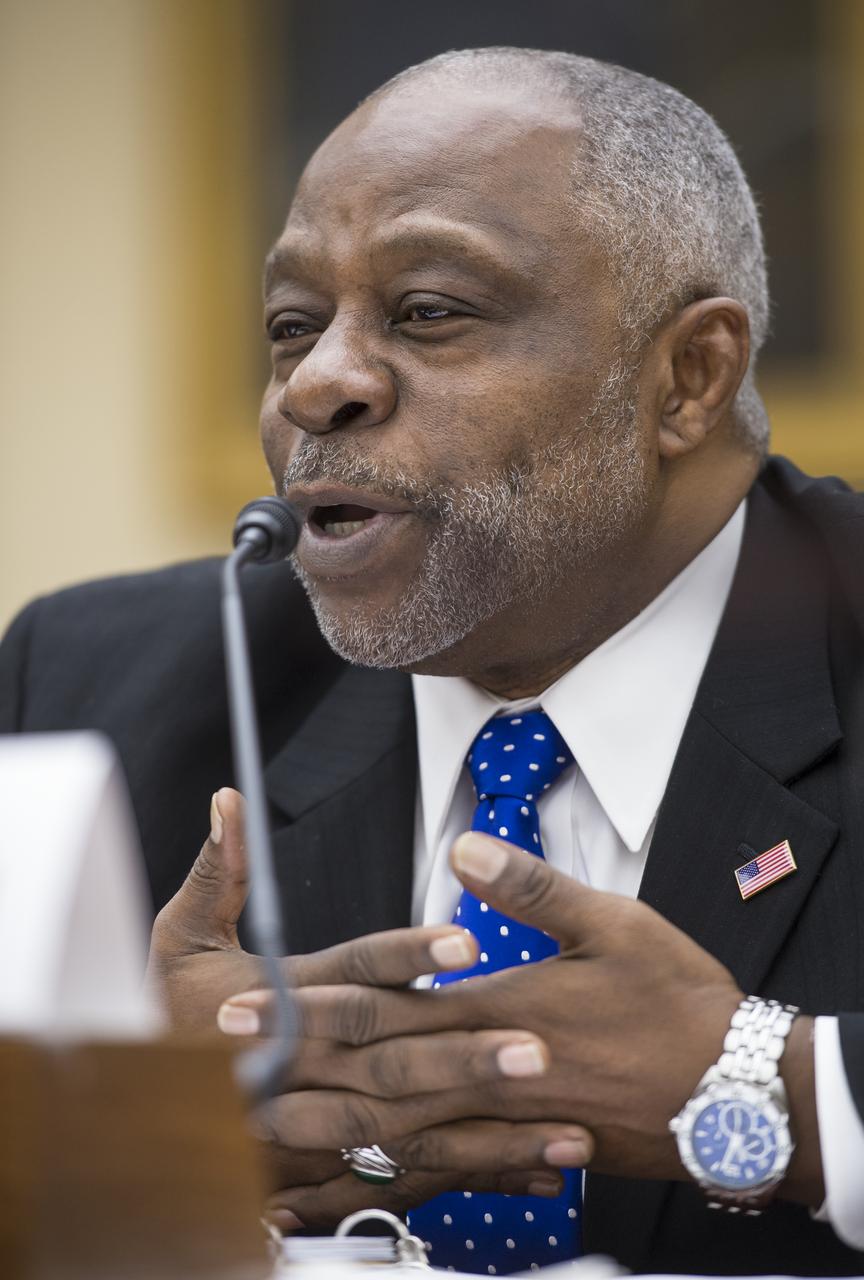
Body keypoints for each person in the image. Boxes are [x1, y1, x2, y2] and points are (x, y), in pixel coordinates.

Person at [2, 46, 864, 1275]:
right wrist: (109, 1112)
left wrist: (778, 1089)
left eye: (430, 312)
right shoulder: (103, 683)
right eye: (293, 326)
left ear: (689, 376)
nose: (319, 384)